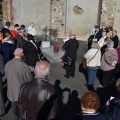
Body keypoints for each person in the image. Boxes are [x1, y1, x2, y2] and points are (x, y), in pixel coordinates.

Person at [5, 48, 33, 120]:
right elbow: (29, 80)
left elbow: (6, 75)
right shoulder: (23, 65)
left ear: (14, 54)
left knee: (14, 108)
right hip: (21, 90)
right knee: (22, 110)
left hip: (11, 89)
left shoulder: (8, 63)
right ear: (22, 55)